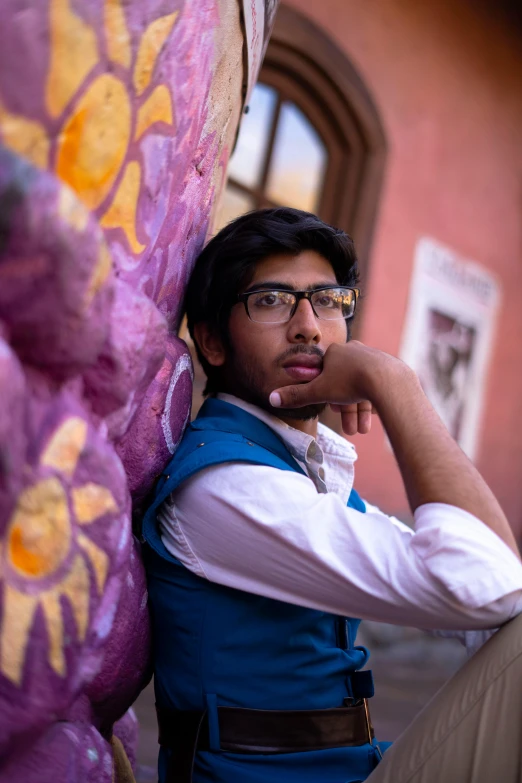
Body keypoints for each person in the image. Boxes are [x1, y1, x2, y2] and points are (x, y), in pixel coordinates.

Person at [141, 207, 522, 783]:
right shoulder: (226, 486)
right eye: (271, 300)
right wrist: (395, 385)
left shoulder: (300, 471)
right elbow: (485, 588)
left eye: (327, 301)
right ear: (213, 342)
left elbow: (496, 593)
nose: (309, 327)